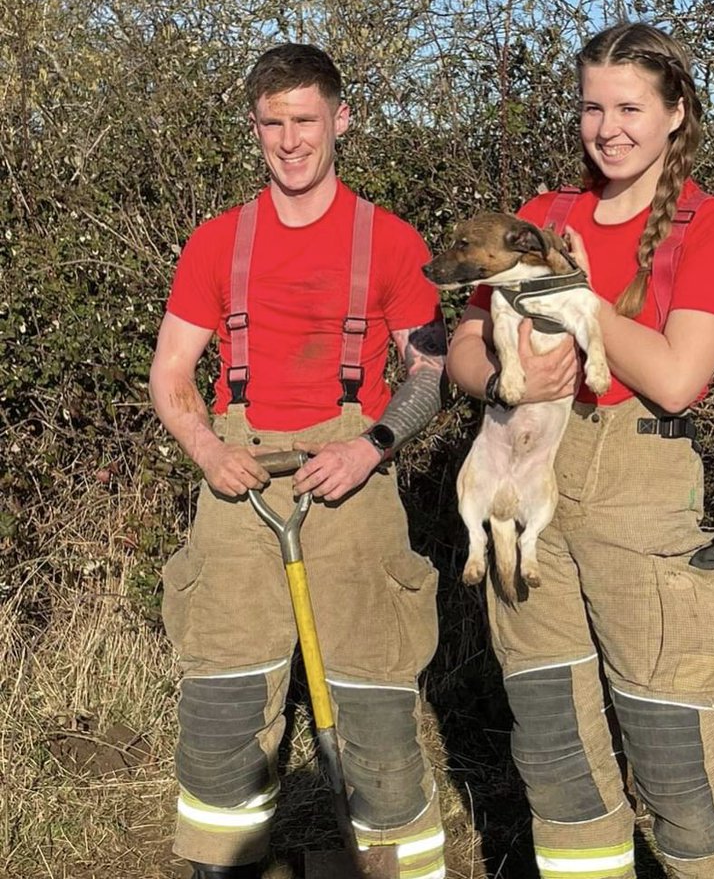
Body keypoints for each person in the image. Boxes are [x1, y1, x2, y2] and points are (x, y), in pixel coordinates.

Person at [445, 23, 714, 879]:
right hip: (530, 478)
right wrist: (507, 380)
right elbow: (461, 349)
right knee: (555, 749)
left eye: (630, 106)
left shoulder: (713, 228)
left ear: (675, 114)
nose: (609, 127)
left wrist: (581, 301)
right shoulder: (540, 218)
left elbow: (675, 378)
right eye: (593, 106)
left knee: (677, 762)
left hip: (639, 487)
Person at [149, 43, 448, 879]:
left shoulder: (391, 242)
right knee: (222, 720)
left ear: (340, 120)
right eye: (273, 124)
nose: (290, 141)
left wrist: (371, 445)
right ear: (255, 130)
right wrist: (209, 451)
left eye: (305, 120)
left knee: (378, 724)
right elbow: (171, 375)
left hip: (352, 494)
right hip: (239, 497)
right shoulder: (216, 244)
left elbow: (430, 374)